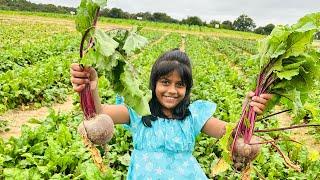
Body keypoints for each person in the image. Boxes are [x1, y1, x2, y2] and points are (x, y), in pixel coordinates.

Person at [70, 49, 273, 179]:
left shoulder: (193, 116)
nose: (172, 90)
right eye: (165, 82)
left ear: (187, 89)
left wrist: (249, 108)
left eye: (180, 85)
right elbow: (101, 113)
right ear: (154, 83)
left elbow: (231, 134)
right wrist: (92, 87)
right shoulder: (140, 111)